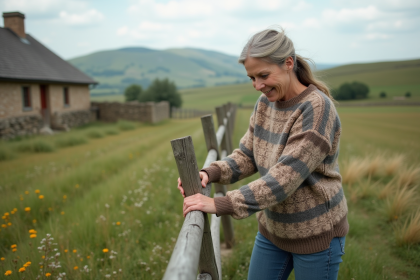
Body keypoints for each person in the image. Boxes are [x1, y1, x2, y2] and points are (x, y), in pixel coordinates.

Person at [177, 26, 348, 280]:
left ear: (288, 63)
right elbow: (247, 155)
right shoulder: (265, 104)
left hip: (316, 236)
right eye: (251, 78)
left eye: (263, 75)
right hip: (273, 231)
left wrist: (219, 203)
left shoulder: (317, 109)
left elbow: (284, 179)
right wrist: (209, 173)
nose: (257, 85)